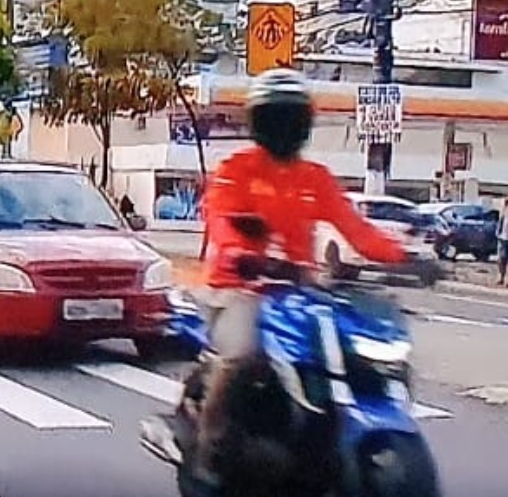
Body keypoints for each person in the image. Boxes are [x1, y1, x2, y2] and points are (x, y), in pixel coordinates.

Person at [140, 68, 435, 487]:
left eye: (293, 118)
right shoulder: (236, 170)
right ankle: (211, 452)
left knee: (358, 345)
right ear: (259, 123)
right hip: (239, 288)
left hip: (300, 291)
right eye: (276, 118)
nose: (285, 127)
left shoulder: (315, 178)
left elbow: (359, 232)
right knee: (241, 357)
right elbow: (220, 220)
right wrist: (244, 255)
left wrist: (410, 257)